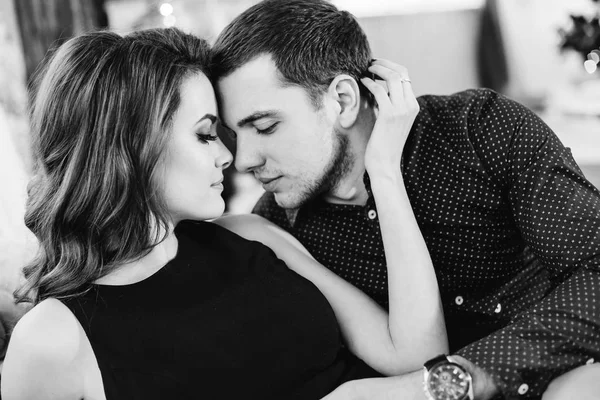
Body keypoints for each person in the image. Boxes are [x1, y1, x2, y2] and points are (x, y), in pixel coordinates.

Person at [1, 27, 446, 400]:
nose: (229, 157)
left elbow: (417, 356)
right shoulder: (53, 340)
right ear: (132, 148)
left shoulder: (253, 234)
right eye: (205, 134)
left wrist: (383, 171)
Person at [211, 0, 600, 398]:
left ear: (342, 100)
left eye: (265, 126)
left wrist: (472, 374)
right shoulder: (275, 229)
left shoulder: (480, 130)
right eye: (232, 135)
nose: (243, 161)